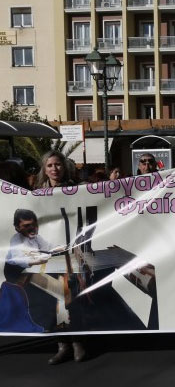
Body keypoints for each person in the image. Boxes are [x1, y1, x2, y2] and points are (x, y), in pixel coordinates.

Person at [32, 152, 85, 364]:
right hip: (47, 253)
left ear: (64, 167)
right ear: (44, 169)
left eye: (58, 165)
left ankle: (78, 341)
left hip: (71, 249)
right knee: (55, 298)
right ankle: (62, 344)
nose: (55, 169)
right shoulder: (35, 194)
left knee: (73, 295)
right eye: (50, 165)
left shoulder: (77, 189)